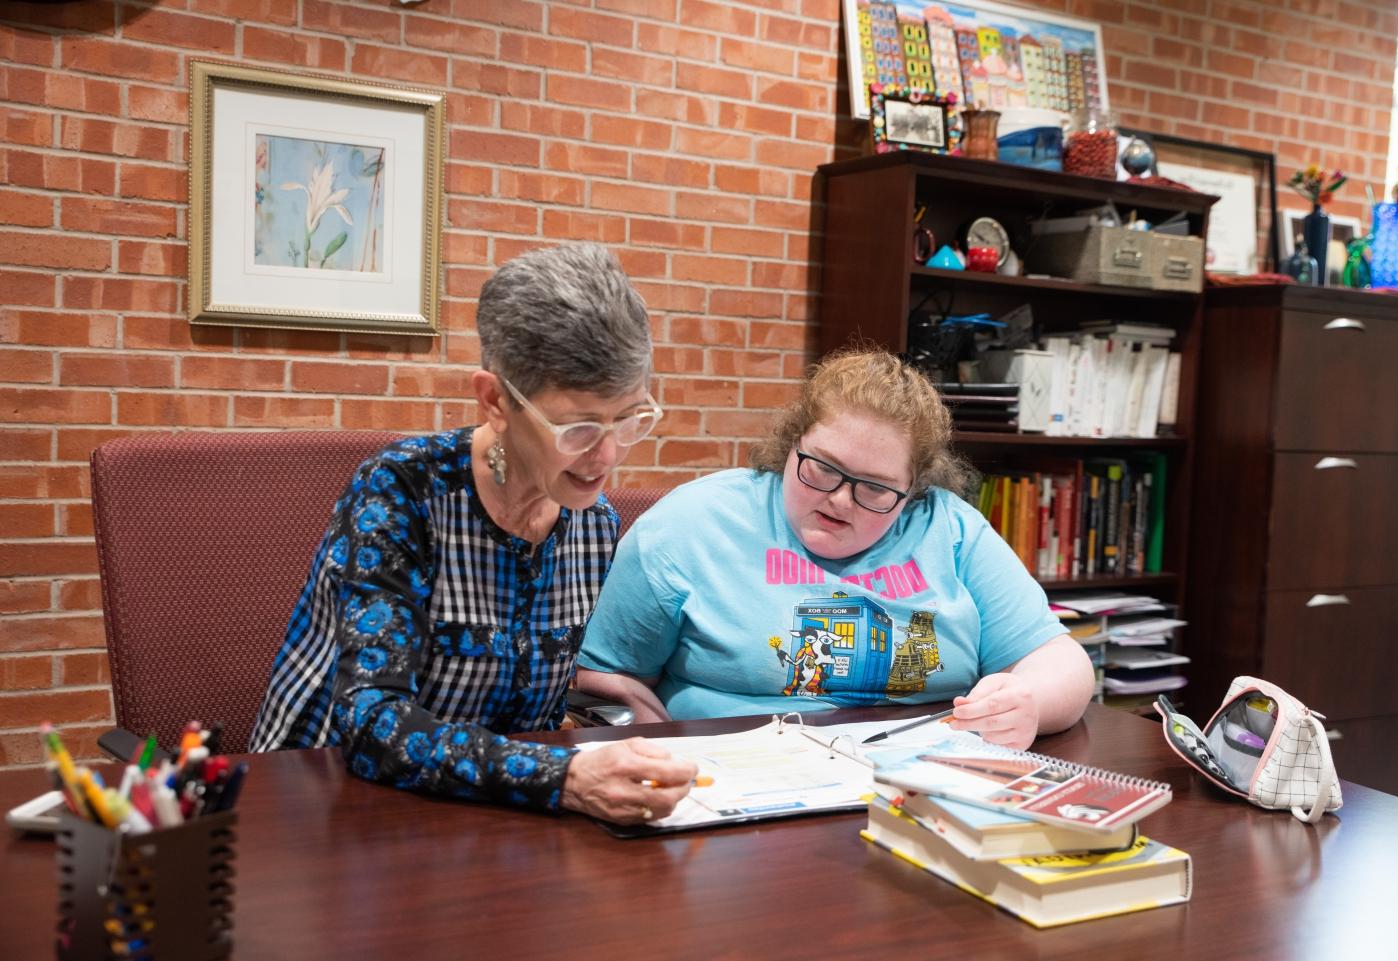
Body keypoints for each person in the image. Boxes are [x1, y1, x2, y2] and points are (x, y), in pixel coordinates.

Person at [250, 244, 696, 824]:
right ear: (495, 401)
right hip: (321, 809)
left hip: (481, 817)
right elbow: (371, 722)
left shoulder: (592, 523)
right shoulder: (402, 493)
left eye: (629, 418)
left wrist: (586, 684)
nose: (605, 455)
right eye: (578, 426)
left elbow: (518, 688)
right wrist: (563, 776)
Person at [575, 349, 1094, 751]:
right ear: (791, 443)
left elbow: (1060, 661)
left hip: (919, 784)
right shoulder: (689, 525)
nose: (839, 500)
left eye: (874, 488)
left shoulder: (950, 528)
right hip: (736, 781)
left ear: (913, 492)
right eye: (822, 467)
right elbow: (600, 682)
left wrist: (1027, 702)